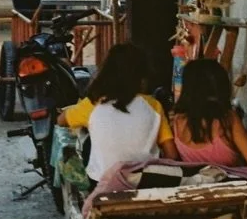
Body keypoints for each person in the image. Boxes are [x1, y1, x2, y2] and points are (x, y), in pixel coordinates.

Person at [59, 43, 173, 186]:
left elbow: (61, 121)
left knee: (86, 138)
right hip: (145, 181)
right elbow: (171, 155)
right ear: (143, 75)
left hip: (103, 182)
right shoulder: (154, 105)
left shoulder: (93, 103)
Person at [170, 55, 247, 168]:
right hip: (230, 184)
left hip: (193, 183)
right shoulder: (228, 119)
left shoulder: (177, 121)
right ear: (221, 86)